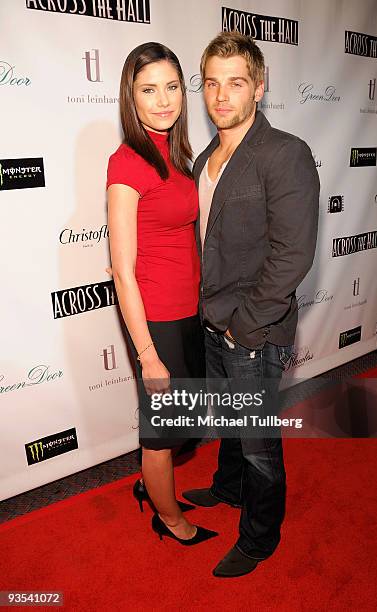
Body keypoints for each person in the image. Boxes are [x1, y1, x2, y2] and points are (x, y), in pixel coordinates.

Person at [182, 31, 319, 576]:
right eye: (211, 83)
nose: (220, 96)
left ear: (259, 87)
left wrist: (243, 325)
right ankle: (226, 487)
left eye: (235, 83)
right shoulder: (205, 160)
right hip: (214, 320)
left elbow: (293, 255)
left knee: (259, 441)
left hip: (254, 330)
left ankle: (260, 538)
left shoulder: (285, 153)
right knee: (232, 421)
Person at [106, 42, 217, 546]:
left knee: (180, 423)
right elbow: (122, 272)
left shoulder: (177, 153)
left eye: (172, 87)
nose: (164, 99)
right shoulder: (127, 163)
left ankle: (154, 488)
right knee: (162, 432)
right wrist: (147, 354)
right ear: (132, 96)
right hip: (157, 319)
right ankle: (169, 519)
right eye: (149, 89)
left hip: (188, 312)